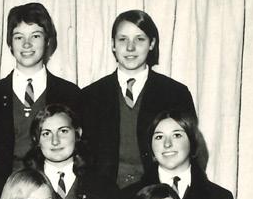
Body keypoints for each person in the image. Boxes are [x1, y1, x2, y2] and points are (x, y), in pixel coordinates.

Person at [78, 10, 196, 188]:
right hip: (104, 196)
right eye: (122, 39)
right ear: (113, 45)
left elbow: (190, 152)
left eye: (139, 39)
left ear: (152, 43)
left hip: (157, 195)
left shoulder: (175, 93)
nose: (130, 47)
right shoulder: (90, 95)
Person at [0, 3, 81, 183]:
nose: (26, 44)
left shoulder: (71, 94)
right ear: (10, 43)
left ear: (47, 41)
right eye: (19, 37)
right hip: (0, 193)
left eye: (35, 36)